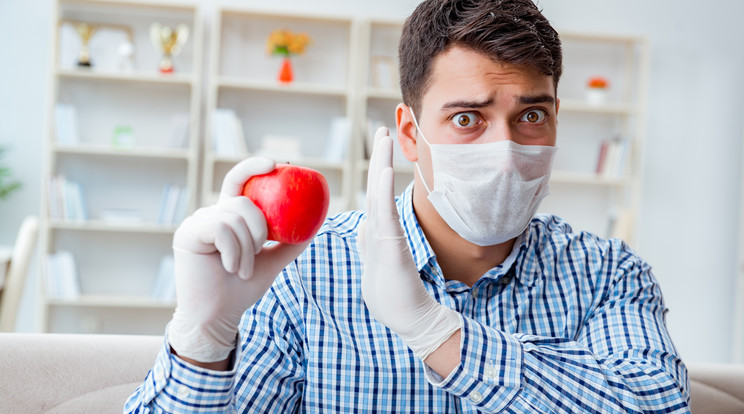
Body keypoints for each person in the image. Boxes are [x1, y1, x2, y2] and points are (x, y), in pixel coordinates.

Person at [125, 0, 690, 412]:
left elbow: (657, 405)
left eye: (531, 115)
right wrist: (203, 337)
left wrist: (435, 332)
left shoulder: (609, 275)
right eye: (467, 118)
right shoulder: (303, 272)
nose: (504, 152)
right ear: (410, 134)